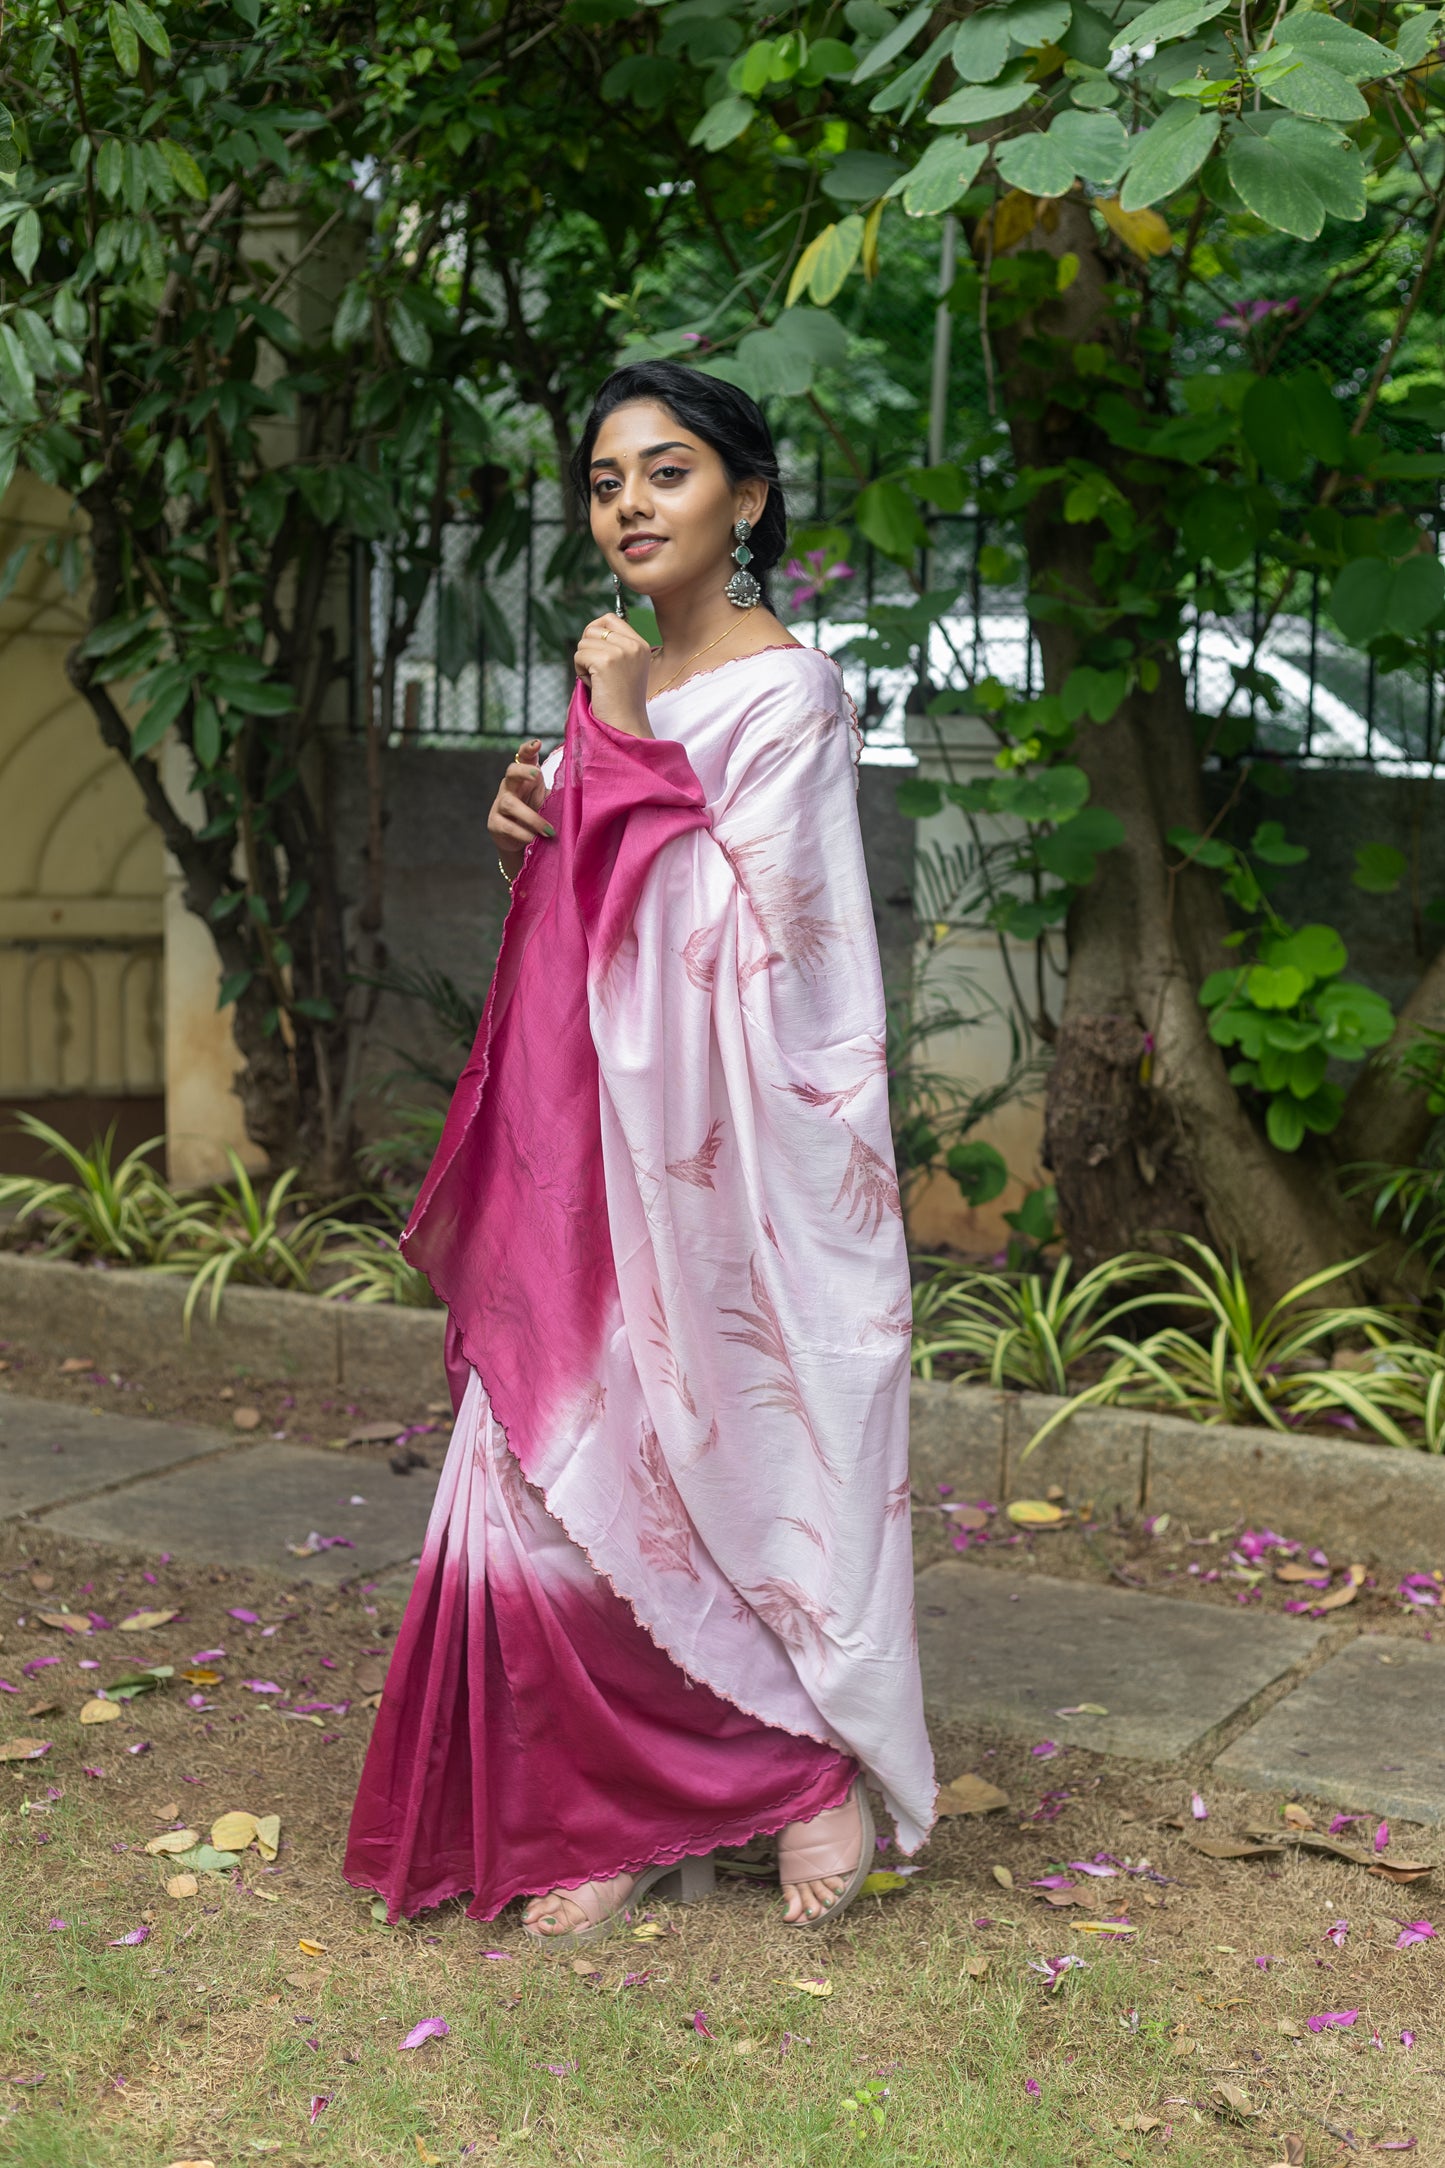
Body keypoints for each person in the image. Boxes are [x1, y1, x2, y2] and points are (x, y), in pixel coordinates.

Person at [344, 361, 936, 1947]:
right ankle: (608, 1809)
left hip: (718, 1179)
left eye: (666, 473)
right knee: (549, 1479)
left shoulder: (789, 695)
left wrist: (608, 742)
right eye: (606, 482)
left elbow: (769, 959)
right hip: (584, 1158)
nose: (628, 506)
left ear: (747, 500)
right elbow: (593, 930)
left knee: (702, 1465)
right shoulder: (623, 683)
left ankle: (800, 1776)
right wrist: (530, 827)